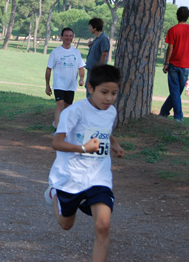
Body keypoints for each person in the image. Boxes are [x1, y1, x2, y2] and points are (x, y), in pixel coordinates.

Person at [44, 64, 124, 262]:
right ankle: (55, 193)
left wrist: (114, 143)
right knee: (66, 225)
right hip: (70, 176)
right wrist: (83, 148)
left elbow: (103, 129)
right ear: (90, 88)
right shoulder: (74, 112)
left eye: (114, 93)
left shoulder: (111, 111)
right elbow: (56, 142)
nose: (109, 98)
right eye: (104, 92)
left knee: (103, 226)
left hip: (99, 176)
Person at [159, 7, 189, 122]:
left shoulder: (172, 30)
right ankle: (164, 112)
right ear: (188, 16)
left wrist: (166, 62)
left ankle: (178, 116)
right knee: (177, 91)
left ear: (177, 16)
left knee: (175, 91)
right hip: (186, 65)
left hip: (174, 64)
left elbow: (170, 47)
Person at [45, 28, 85, 129]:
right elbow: (48, 69)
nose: (68, 38)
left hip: (71, 85)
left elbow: (81, 68)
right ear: (61, 37)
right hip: (59, 84)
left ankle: (62, 126)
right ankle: (57, 128)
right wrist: (47, 85)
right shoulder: (56, 52)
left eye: (70, 36)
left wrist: (81, 78)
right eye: (66, 35)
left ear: (73, 38)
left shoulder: (76, 52)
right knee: (59, 104)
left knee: (67, 107)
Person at [84, 18, 110, 97]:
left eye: (90, 27)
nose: (89, 28)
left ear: (95, 28)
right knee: (89, 89)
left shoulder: (103, 38)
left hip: (96, 71)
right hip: (91, 69)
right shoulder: (97, 39)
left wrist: (100, 68)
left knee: (92, 90)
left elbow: (104, 54)